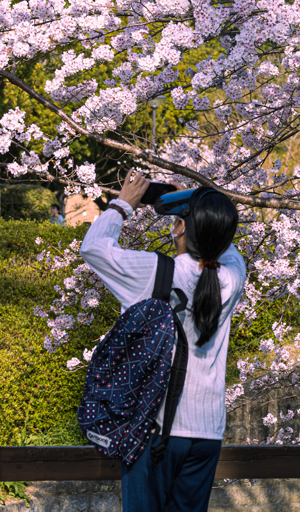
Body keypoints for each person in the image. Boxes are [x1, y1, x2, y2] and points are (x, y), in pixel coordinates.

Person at [80, 170, 246, 512]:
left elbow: (94, 248)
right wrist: (199, 208)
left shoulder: (157, 272)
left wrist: (123, 205)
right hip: (207, 436)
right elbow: (225, 247)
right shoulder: (231, 278)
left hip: (158, 431)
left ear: (181, 227)